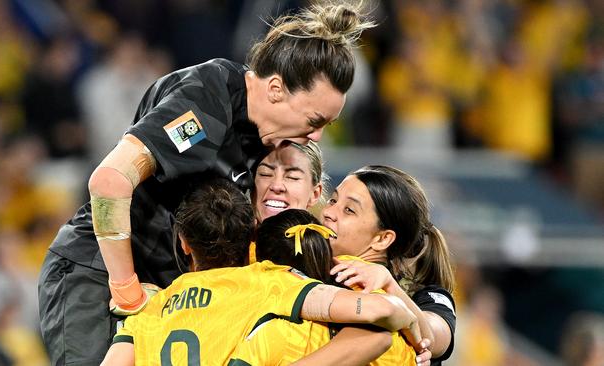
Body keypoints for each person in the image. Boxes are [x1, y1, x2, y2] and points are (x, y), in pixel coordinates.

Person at [37, 2, 375, 364]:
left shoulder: (263, 139)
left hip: (167, 283)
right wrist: (127, 291)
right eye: (314, 119)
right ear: (275, 89)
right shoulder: (207, 103)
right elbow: (109, 182)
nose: (318, 136)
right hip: (98, 267)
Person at [101, 178, 421, 366]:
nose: (329, 212)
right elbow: (378, 320)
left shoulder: (150, 311)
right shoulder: (269, 283)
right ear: (248, 237)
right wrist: (408, 316)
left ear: (184, 243)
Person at [231, 208, 419, 365]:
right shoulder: (359, 277)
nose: (329, 212)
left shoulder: (270, 322)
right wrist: (412, 326)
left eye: (349, 210)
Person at [324, 165, 457, 365]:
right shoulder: (306, 271)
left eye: (349, 210)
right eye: (333, 200)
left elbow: (433, 340)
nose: (328, 212)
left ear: (382, 239)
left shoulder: (426, 297)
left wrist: (389, 286)